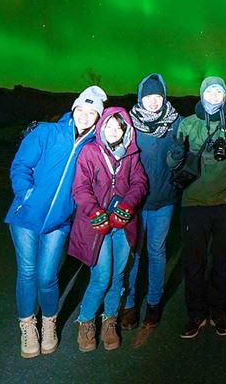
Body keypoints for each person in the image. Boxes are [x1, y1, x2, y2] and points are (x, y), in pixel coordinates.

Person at [5, 85, 107, 359]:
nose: (85, 117)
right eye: (81, 110)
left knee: (47, 276)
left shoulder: (93, 147)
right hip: (25, 216)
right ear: (74, 109)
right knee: (27, 272)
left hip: (58, 222)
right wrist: (26, 193)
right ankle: (28, 326)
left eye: (92, 113)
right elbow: (20, 166)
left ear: (98, 117)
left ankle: (48, 322)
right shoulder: (47, 132)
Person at [167, 76, 226, 338]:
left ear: (223, 97)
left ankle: (219, 312)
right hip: (194, 203)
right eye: (210, 92)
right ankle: (195, 314)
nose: (214, 96)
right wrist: (176, 154)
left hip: (225, 203)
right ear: (202, 95)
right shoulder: (188, 124)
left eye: (218, 92)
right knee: (194, 263)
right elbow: (172, 163)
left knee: (223, 261)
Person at [68, 107, 149, 352]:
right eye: (109, 127)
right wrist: (94, 212)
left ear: (125, 130)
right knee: (101, 277)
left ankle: (109, 321)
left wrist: (127, 205)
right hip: (98, 225)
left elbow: (140, 182)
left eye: (119, 127)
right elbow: (80, 187)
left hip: (122, 225)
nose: (114, 131)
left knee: (118, 276)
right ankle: (86, 322)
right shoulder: (90, 152)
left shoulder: (131, 153)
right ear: (101, 128)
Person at [121, 74, 183, 329]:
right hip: (136, 201)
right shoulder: (129, 123)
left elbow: (188, 152)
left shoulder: (175, 122)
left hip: (164, 199)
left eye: (158, 96)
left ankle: (154, 303)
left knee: (156, 252)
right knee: (133, 253)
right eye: (149, 97)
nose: (154, 102)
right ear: (140, 98)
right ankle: (129, 305)